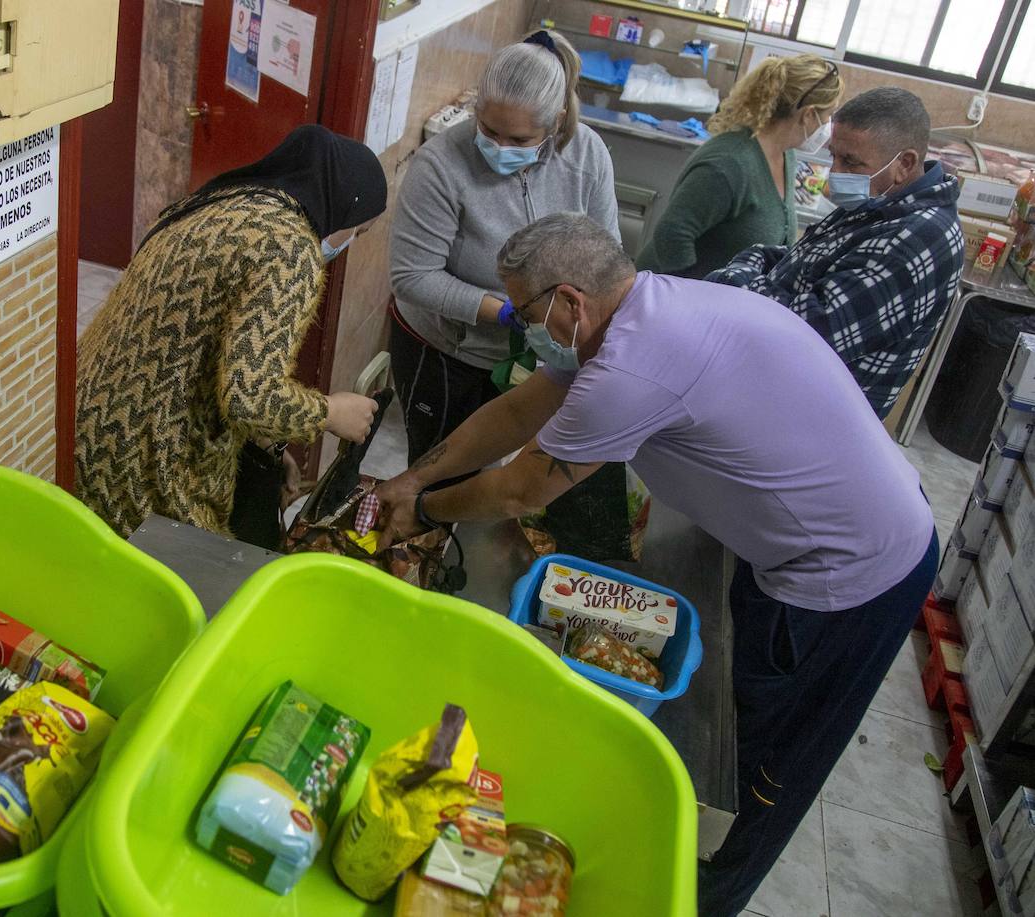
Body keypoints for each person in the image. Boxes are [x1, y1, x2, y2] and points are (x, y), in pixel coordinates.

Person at [375, 213, 938, 917]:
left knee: (758, 769)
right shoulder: (650, 307)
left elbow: (523, 485)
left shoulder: (634, 365)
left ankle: (701, 897)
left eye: (526, 311)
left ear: (571, 301)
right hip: (829, 536)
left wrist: (429, 512)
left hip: (851, 576)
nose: (522, 326)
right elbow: (520, 410)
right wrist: (414, 478)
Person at [75, 125, 386, 543]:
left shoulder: (219, 202)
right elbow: (249, 397)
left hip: (86, 421)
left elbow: (194, 344)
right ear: (344, 207)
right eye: (358, 230)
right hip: (145, 460)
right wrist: (330, 412)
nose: (350, 241)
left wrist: (269, 443)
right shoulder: (290, 247)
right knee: (184, 594)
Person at [389, 29, 619, 464]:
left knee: (502, 464)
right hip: (446, 351)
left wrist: (569, 329)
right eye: (488, 130)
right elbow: (412, 277)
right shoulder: (441, 165)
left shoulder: (587, 157)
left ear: (553, 125)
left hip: (542, 354)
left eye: (517, 141)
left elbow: (608, 258)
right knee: (438, 467)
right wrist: (506, 312)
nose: (497, 148)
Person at [706, 86, 964, 419]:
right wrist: (751, 270)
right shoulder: (882, 200)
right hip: (775, 392)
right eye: (834, 156)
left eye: (851, 162)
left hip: (808, 422)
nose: (836, 173)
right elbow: (790, 258)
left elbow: (796, 334)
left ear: (905, 163)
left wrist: (729, 282)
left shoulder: (917, 241)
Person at [635, 54, 842, 277]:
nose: (828, 127)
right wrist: (698, 295)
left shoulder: (786, 155)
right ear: (808, 114)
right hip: (670, 296)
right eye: (828, 115)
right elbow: (672, 234)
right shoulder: (729, 164)